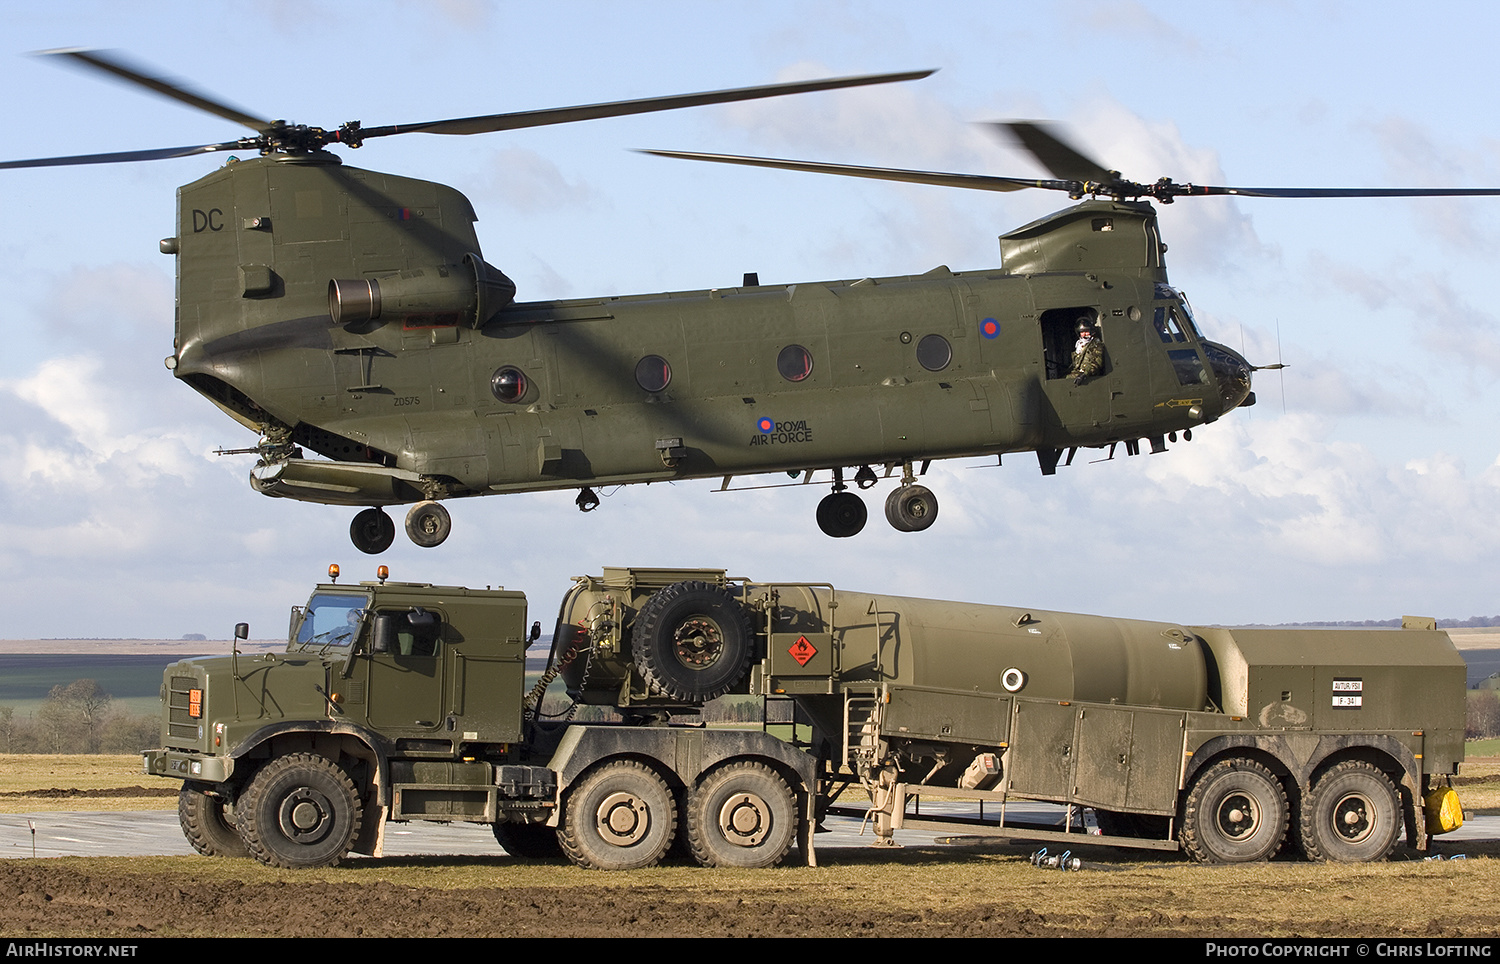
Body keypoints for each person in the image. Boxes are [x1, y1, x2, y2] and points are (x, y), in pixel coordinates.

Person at [1067, 320, 1104, 385]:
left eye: (1086, 331)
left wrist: (1084, 374)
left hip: (1088, 374)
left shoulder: (1096, 345)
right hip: (1079, 373)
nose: (1084, 334)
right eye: (1082, 332)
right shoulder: (1079, 345)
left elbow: (1096, 363)